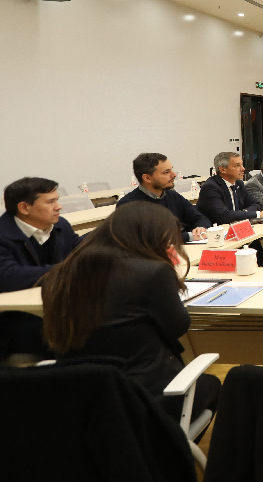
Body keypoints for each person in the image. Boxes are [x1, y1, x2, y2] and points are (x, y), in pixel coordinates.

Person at [40, 202, 221, 429]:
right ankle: (168, 448)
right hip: (142, 396)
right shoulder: (153, 271)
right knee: (211, 384)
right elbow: (178, 326)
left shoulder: (61, 273)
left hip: (79, 398)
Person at [0, 177, 82, 359]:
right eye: (51, 202)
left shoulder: (60, 226)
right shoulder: (2, 235)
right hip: (15, 319)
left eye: (57, 200)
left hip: (57, 307)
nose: (59, 207)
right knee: (80, 334)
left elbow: (81, 252)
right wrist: (67, 270)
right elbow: (8, 276)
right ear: (24, 208)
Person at [117, 153, 210, 242]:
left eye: (171, 170)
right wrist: (189, 236)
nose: (174, 175)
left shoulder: (172, 195)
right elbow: (148, 240)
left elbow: (200, 218)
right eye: (166, 172)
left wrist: (201, 228)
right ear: (147, 178)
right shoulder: (127, 205)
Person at [197, 152, 263, 224]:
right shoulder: (211, 188)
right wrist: (259, 214)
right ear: (222, 169)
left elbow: (257, 204)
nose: (243, 168)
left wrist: (242, 213)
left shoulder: (239, 184)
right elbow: (224, 216)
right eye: (237, 165)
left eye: (241, 164)